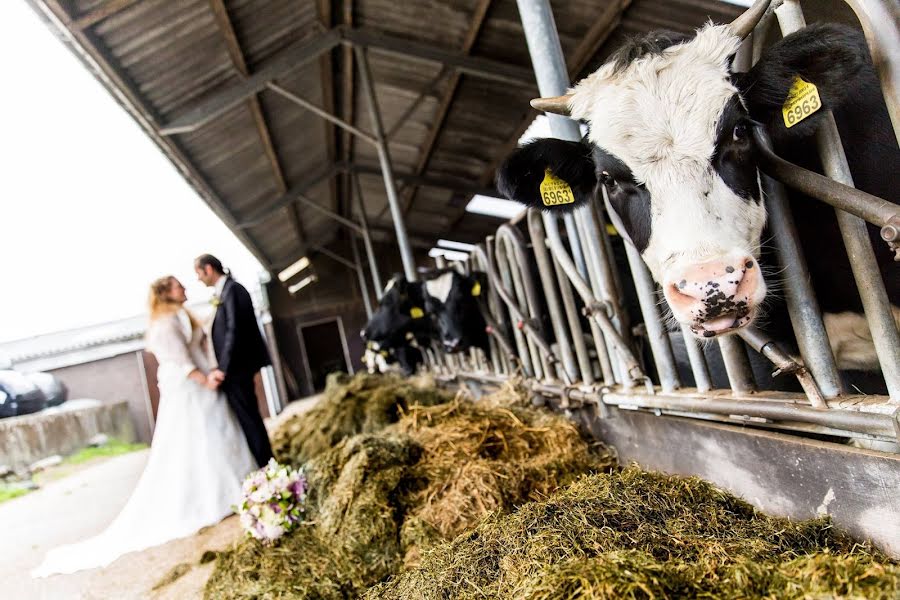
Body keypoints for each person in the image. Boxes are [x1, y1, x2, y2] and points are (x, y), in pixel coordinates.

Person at [32, 276, 257, 577]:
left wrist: (213, 372)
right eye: (179, 286)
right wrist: (205, 380)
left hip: (203, 384)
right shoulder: (163, 324)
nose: (185, 289)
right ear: (165, 293)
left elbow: (199, 351)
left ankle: (237, 484)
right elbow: (179, 360)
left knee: (220, 433)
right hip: (190, 389)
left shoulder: (182, 316)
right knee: (198, 440)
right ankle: (213, 495)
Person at [194, 254, 273, 467]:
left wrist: (223, 368)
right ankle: (264, 463)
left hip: (237, 369)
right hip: (234, 369)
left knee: (250, 419)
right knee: (248, 418)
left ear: (208, 269)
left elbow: (234, 331)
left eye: (199, 273)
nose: (199, 279)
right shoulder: (225, 292)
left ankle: (267, 465)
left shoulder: (233, 290)